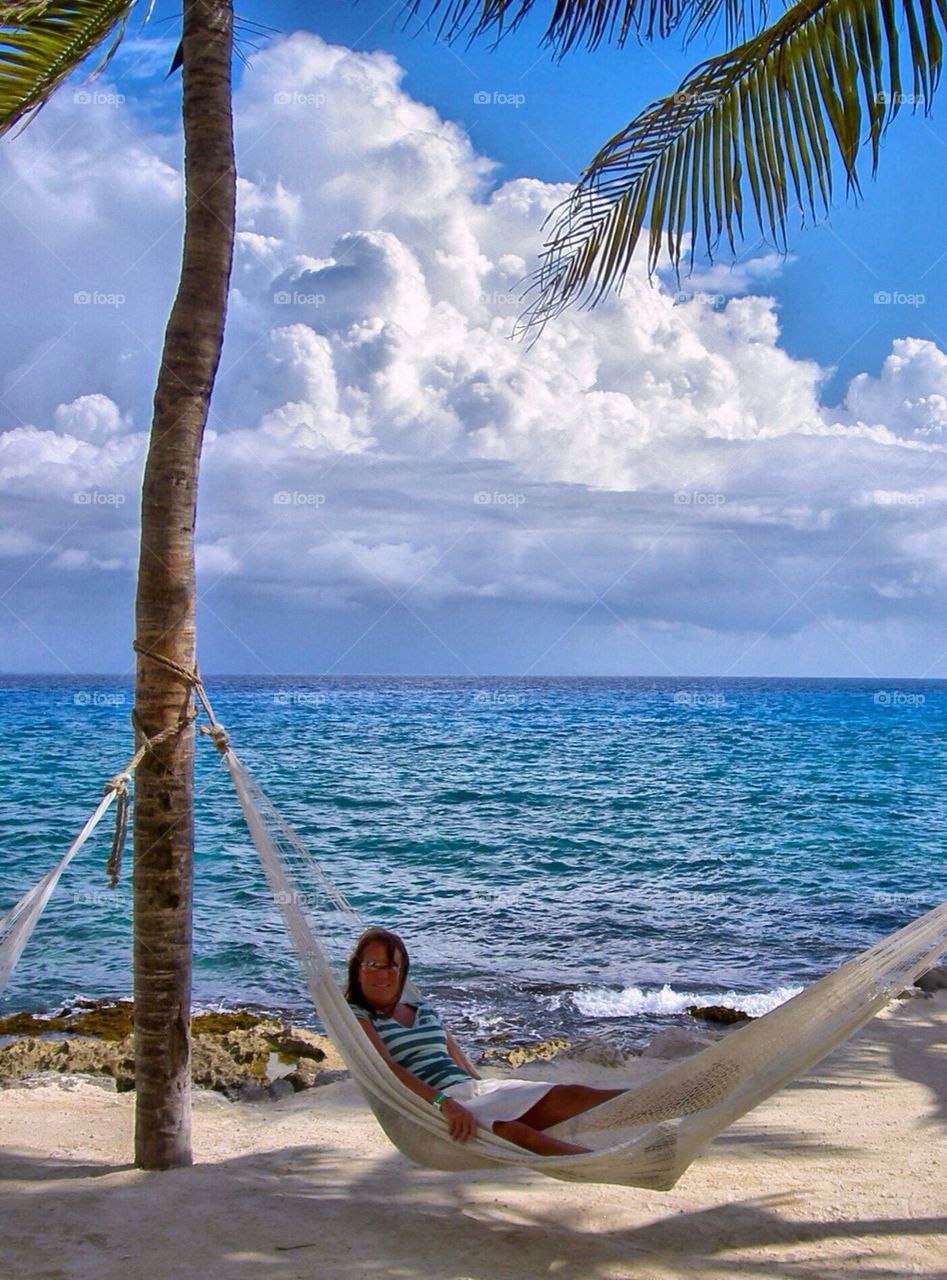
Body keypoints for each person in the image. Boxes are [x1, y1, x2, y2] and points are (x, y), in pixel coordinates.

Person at [346, 926, 625, 1156]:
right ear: (357, 970)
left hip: (473, 1091)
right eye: (372, 965)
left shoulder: (424, 1010)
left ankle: (658, 1100)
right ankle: (603, 1161)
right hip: (431, 1106)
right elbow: (388, 1067)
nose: (382, 974)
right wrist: (444, 1103)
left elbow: (460, 1063)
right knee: (511, 1132)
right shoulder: (357, 1015)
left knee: (572, 1094)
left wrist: (488, 1095)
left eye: (391, 966)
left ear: (403, 971)